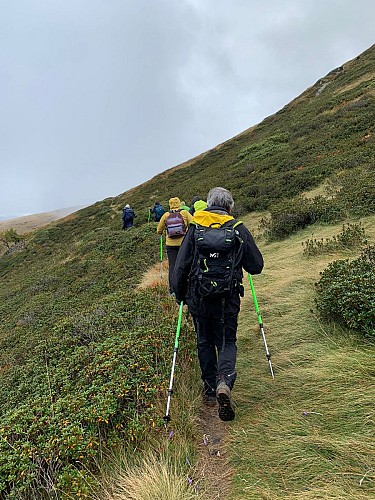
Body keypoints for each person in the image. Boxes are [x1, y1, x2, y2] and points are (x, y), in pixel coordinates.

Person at [172, 187, 263, 421]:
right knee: (226, 341)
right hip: (227, 299)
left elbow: (180, 267)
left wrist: (180, 296)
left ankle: (211, 391)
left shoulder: (194, 228)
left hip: (198, 298)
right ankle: (224, 381)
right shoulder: (237, 229)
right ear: (229, 207)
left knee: (204, 341)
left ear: (209, 204)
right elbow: (256, 266)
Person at [157, 197, 192, 294]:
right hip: (183, 244)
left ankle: (172, 290)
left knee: (172, 266)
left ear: (170, 205)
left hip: (170, 245)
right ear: (179, 204)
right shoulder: (184, 213)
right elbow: (193, 222)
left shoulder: (166, 215)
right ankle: (185, 288)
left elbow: (159, 230)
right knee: (184, 265)